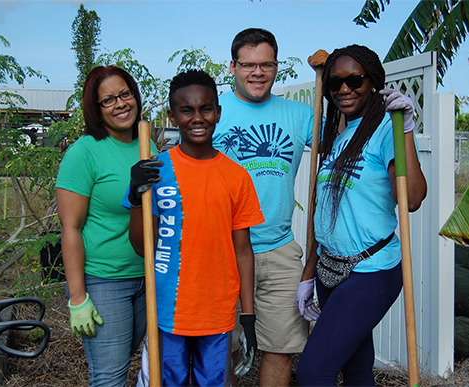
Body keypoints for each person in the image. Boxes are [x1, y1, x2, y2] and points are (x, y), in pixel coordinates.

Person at [296, 45, 427, 386]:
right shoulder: (338, 136)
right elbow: (325, 217)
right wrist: (308, 273)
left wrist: (406, 129)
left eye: (354, 80)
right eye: (335, 84)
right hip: (328, 269)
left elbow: (412, 198)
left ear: (373, 83)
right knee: (355, 369)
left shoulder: (386, 129)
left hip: (371, 271)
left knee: (313, 371)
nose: (344, 90)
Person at [126, 69, 265, 386]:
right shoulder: (155, 171)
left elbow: (243, 251)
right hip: (166, 310)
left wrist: (248, 315)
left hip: (216, 311)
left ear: (218, 112)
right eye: (186, 110)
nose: (197, 118)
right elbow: (140, 245)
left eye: (205, 108)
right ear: (173, 117)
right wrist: (136, 198)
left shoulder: (236, 176)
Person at [211, 28, 315, 386]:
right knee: (223, 348)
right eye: (248, 64)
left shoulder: (302, 115)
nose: (258, 72)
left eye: (266, 64)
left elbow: (347, 141)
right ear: (232, 66)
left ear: (276, 67)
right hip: (221, 250)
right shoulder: (213, 113)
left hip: (278, 249)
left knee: (280, 348)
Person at [56, 66, 157, 387]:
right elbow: (70, 228)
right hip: (105, 282)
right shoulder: (84, 153)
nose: (121, 104)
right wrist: (77, 298)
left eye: (125, 94)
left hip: (148, 278)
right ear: (95, 109)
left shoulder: (147, 146)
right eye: (108, 100)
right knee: (110, 377)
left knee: (127, 358)